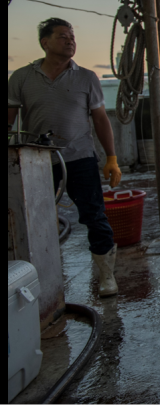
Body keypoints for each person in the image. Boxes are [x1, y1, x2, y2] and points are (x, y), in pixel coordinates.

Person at [8, 18, 123, 298]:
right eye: (62, 36)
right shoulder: (21, 77)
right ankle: (38, 278)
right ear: (45, 43)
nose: (70, 41)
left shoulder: (86, 77)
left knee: (94, 215)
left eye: (72, 36)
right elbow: (9, 117)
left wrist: (111, 157)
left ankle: (106, 276)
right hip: (36, 161)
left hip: (80, 159)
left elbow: (99, 119)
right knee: (34, 218)